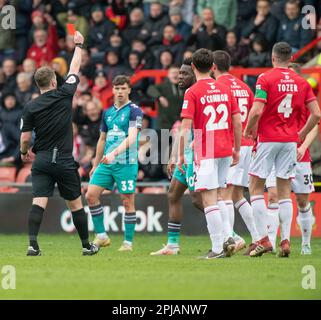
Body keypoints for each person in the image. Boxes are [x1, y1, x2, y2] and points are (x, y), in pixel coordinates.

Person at [20, 31, 99, 256]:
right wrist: (79, 45)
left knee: (39, 202)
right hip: (63, 160)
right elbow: (74, 69)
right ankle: (86, 246)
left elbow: (25, 138)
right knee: (75, 204)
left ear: (37, 85)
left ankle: (32, 245)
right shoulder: (65, 93)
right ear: (54, 81)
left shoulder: (30, 107)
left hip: (42, 159)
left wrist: (24, 152)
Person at [244, 42, 321, 258]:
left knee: (256, 186)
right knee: (285, 190)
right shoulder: (301, 82)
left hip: (268, 138)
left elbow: (257, 110)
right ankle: (285, 241)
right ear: (291, 58)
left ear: (273, 57)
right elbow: (316, 114)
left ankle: (264, 239)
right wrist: (301, 134)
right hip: (290, 141)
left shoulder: (265, 78)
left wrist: (250, 129)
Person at [178, 48, 242, 259]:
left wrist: (179, 155)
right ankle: (228, 238)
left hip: (206, 150)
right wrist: (237, 148)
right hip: (225, 148)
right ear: (213, 67)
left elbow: (185, 127)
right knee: (223, 196)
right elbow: (237, 121)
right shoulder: (225, 89)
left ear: (193, 67)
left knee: (209, 199)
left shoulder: (192, 92)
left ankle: (217, 248)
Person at [150, 58, 203, 256]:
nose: (180, 77)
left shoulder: (197, 92)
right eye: (179, 73)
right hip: (186, 155)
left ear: (195, 73)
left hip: (196, 155)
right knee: (173, 194)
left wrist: (182, 154)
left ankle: (229, 235)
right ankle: (172, 245)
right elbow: (183, 129)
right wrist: (175, 155)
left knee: (198, 199)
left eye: (184, 74)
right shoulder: (188, 93)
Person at [265, 62, 319, 255]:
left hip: (300, 156)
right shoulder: (275, 92)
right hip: (277, 153)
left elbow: (314, 125)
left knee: (303, 202)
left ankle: (305, 244)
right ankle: (271, 242)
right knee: (273, 196)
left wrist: (303, 145)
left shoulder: (305, 96)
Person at [85, 75, 143, 252]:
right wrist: (95, 164)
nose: (120, 92)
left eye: (123, 88)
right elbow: (102, 139)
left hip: (125, 162)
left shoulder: (135, 110)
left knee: (127, 201)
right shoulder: (107, 112)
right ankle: (102, 236)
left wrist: (114, 153)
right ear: (112, 90)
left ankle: (128, 243)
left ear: (129, 90)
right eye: (117, 88)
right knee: (91, 195)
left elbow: (132, 138)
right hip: (106, 163)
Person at [212, 50, 260, 255]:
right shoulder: (243, 86)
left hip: (231, 145)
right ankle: (258, 238)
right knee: (238, 194)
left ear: (213, 67)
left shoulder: (217, 87)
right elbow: (253, 114)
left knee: (224, 195)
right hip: (247, 143)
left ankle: (228, 240)